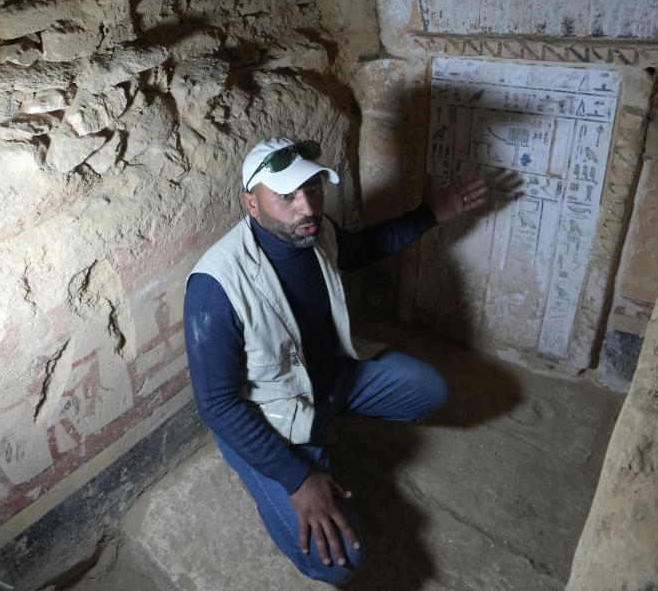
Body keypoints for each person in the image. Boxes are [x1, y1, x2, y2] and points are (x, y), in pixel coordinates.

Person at [183, 136, 488, 585]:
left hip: (329, 379)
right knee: (338, 562)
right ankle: (284, 459)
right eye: (285, 196)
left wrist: (430, 214)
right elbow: (218, 405)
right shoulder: (215, 287)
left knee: (429, 390)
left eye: (313, 189)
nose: (306, 207)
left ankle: (323, 423)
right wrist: (297, 478)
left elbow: (360, 249)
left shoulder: (315, 230)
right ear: (251, 202)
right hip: (271, 414)